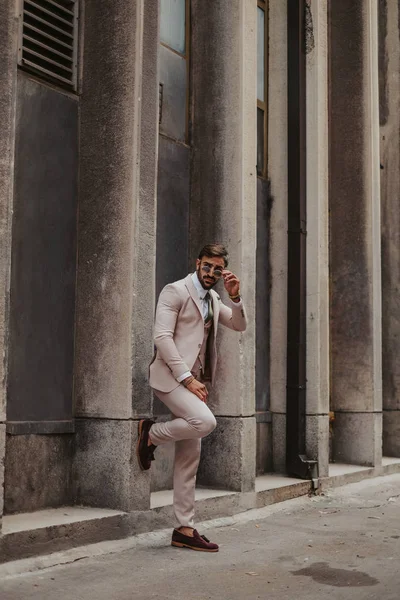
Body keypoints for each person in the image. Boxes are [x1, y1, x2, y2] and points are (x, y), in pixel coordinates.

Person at [137, 244, 247, 552]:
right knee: (204, 422)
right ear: (197, 263)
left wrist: (235, 296)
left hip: (193, 383)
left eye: (218, 268)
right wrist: (187, 377)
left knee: (189, 458)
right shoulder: (175, 292)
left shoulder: (213, 298)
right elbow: (161, 337)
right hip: (171, 378)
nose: (211, 272)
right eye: (207, 266)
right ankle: (152, 434)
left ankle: (184, 528)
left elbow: (239, 325)